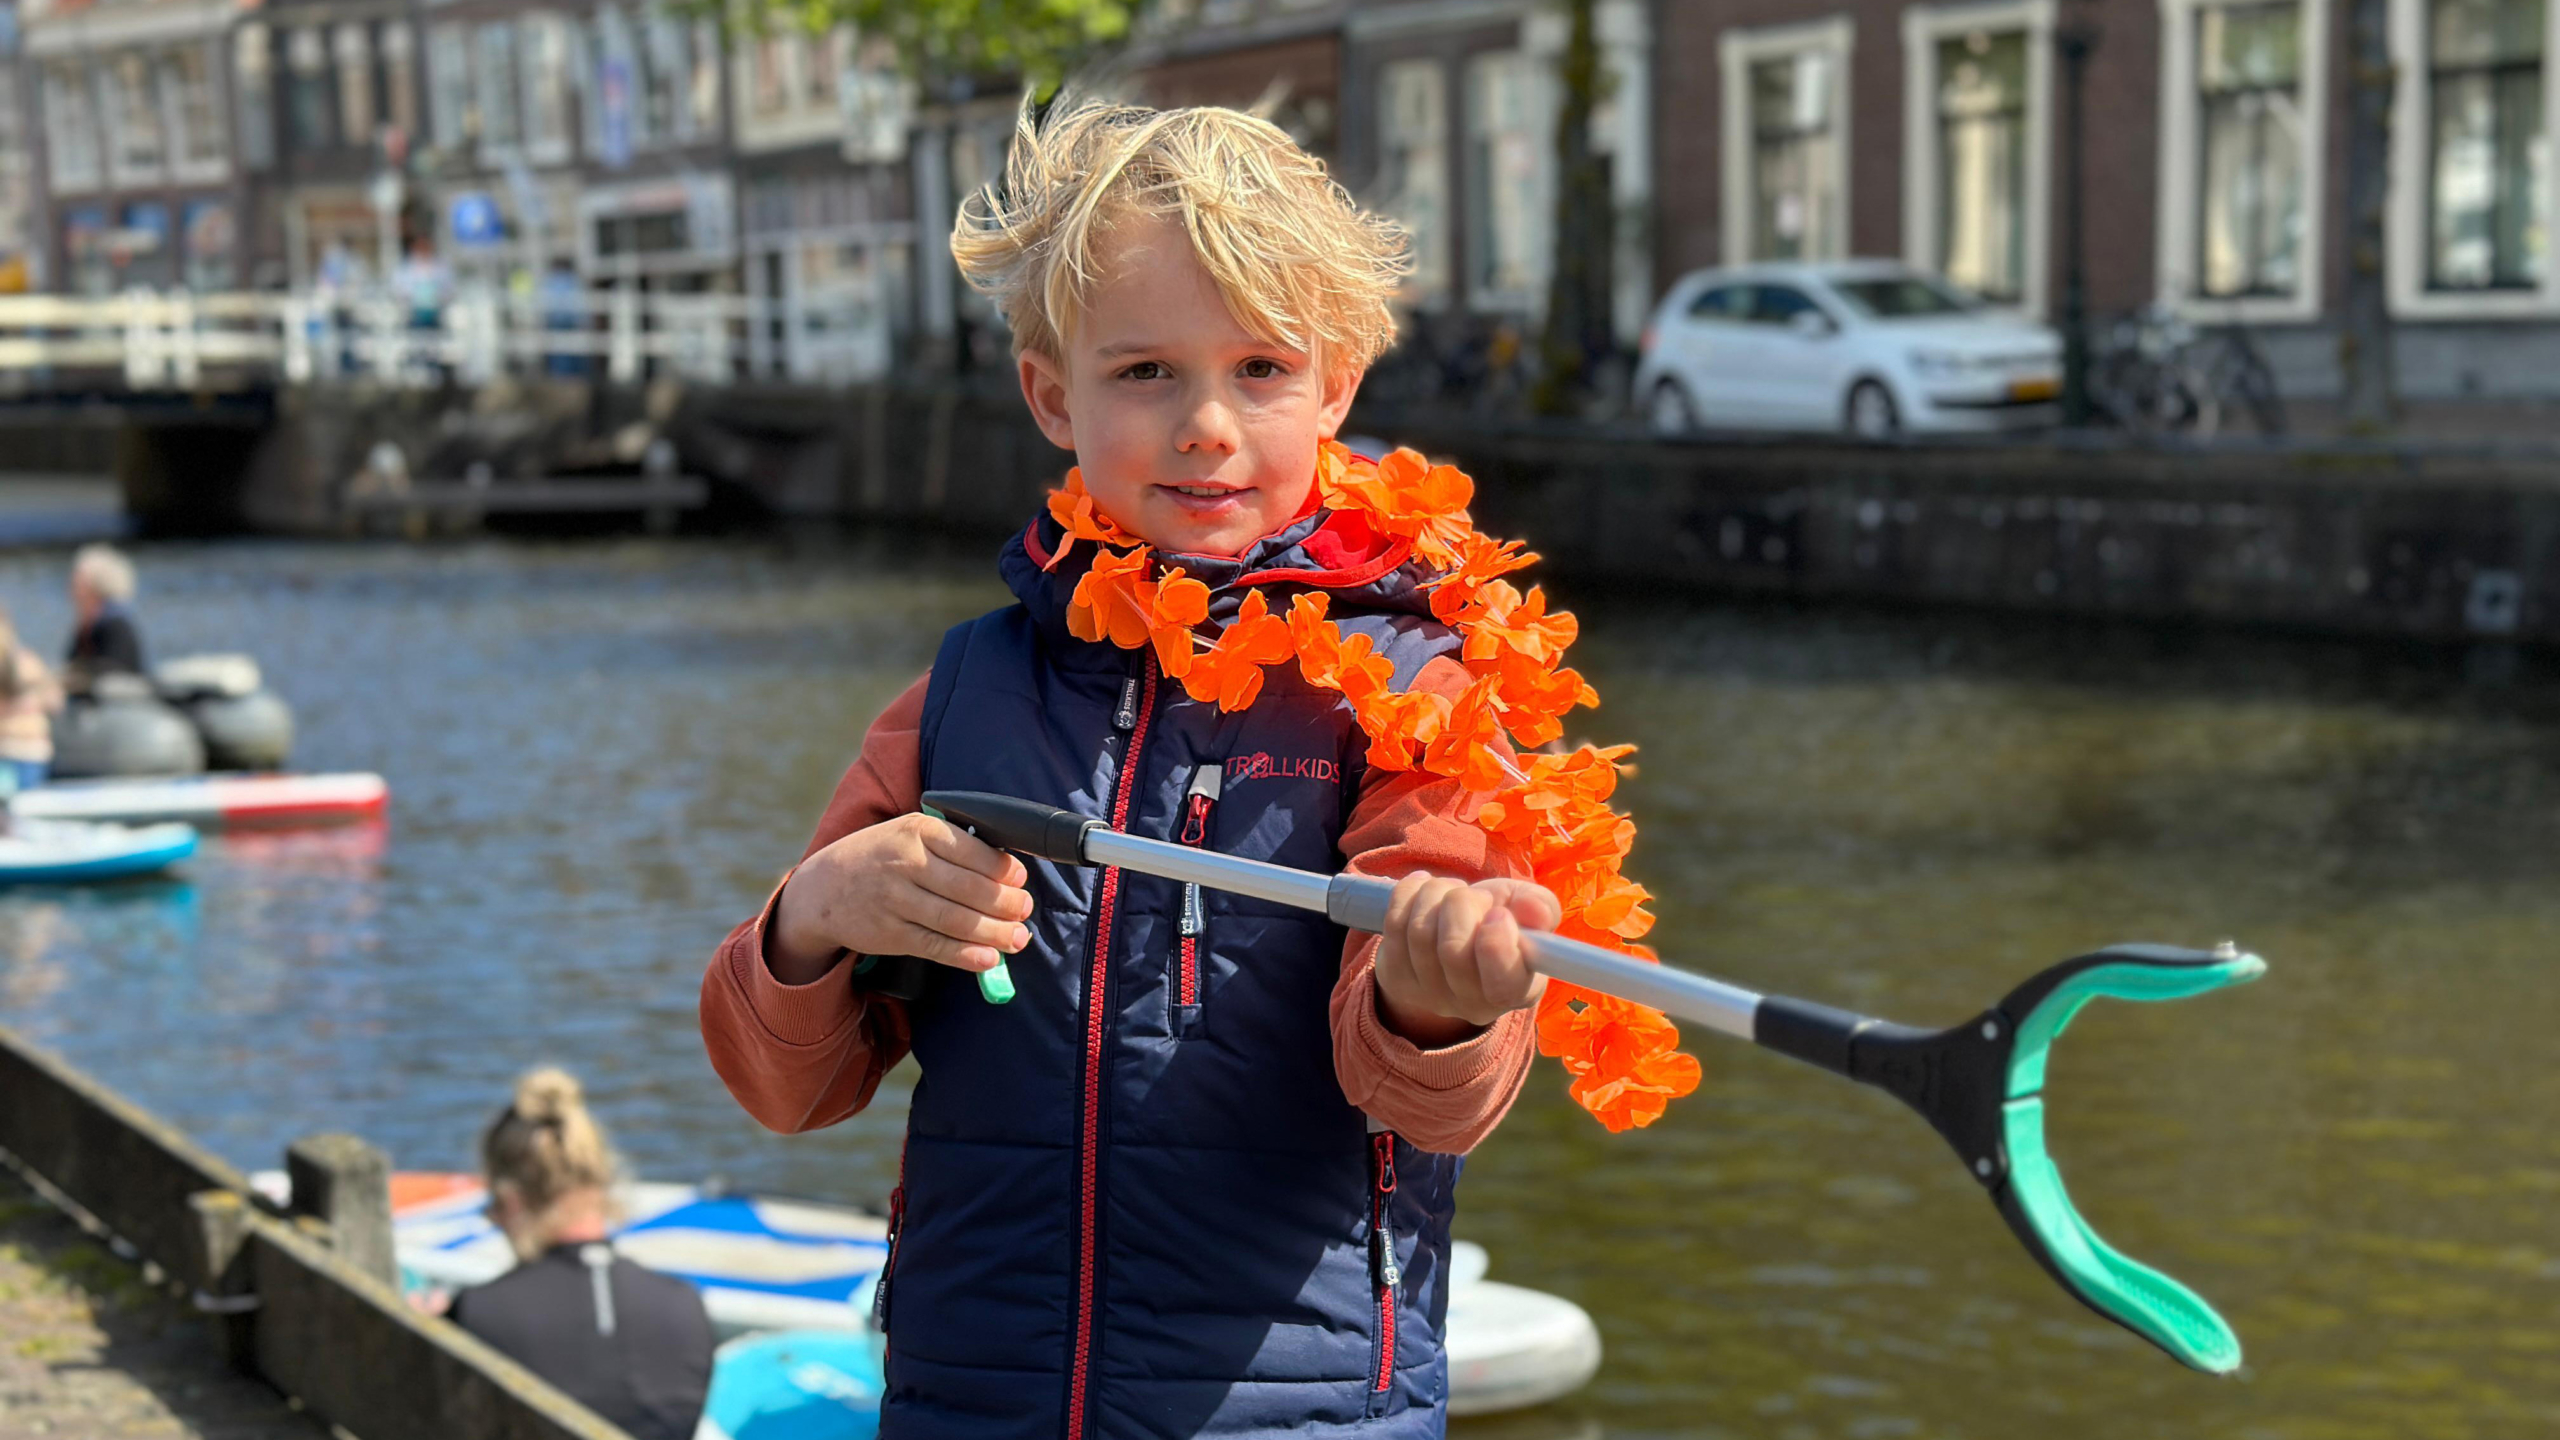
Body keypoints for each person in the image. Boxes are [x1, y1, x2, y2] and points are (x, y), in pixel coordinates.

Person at [702, 98, 1575, 1439]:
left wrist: (1437, 995)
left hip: (1297, 1417)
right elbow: (786, 1083)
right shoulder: (958, 697)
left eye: (1262, 372)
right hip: (970, 1403)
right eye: (1146, 373)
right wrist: (814, 921)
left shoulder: (1416, 701)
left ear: (1338, 386)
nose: (1206, 426)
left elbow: (1431, 1103)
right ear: (1054, 395)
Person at [445, 1068, 713, 1440]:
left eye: (493, 1204)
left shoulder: (478, 1312)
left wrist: (439, 1322)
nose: (492, 1218)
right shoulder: (685, 1306)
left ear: (512, 1199)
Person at [64, 544, 144, 694]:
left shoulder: (116, 623)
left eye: (77, 580)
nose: (70, 587)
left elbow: (118, 671)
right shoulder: (87, 625)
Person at [0, 608, 63, 791]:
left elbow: (54, 700)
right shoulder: (30, 661)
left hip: (20, 752)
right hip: (30, 753)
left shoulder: (26, 663)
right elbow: (55, 701)